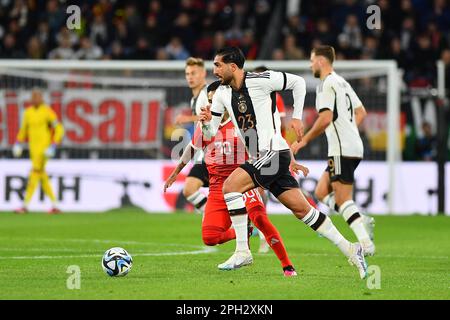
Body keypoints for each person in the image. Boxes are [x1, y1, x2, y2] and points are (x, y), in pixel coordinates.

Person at [200, 46, 368, 279]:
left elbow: (298, 83)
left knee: (230, 187)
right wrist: (206, 122)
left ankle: (242, 251)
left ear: (233, 66)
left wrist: (297, 117)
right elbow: (210, 131)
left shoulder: (262, 80)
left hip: (274, 153)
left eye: (218, 65)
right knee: (303, 211)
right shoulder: (221, 94)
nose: (214, 70)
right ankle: (350, 248)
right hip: (263, 158)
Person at [165, 81, 302, 277]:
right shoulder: (205, 124)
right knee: (210, 238)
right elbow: (192, 148)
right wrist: (175, 173)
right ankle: (244, 231)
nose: (212, 105)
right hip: (217, 187)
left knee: (261, 219)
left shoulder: (242, 123)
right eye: (210, 101)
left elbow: (271, 140)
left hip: (243, 181)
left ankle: (287, 265)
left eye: (215, 101)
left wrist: (275, 167)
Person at [291, 45, 375, 256]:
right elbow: (361, 112)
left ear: (320, 61)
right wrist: (349, 130)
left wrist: (304, 141)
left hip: (342, 149)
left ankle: (366, 244)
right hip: (353, 146)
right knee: (320, 192)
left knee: (342, 198)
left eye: (311, 61)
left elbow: (326, 118)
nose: (311, 65)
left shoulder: (326, 84)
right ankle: (359, 217)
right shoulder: (342, 82)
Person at [12, 89, 64, 214]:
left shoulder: (47, 111)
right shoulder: (28, 112)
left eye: (37, 97)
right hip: (33, 149)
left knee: (34, 174)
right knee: (42, 176)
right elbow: (23, 129)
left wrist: (53, 144)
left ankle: (25, 205)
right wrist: (18, 142)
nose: (35, 99)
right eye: (33, 97)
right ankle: (55, 205)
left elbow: (59, 128)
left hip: (45, 149)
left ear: (42, 98)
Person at [175, 57, 210, 213]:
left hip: (219, 153)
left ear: (203, 73)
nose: (190, 77)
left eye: (194, 73)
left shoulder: (208, 93)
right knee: (189, 189)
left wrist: (187, 118)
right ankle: (218, 218)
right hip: (206, 153)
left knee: (189, 189)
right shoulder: (194, 99)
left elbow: (214, 117)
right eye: (187, 73)